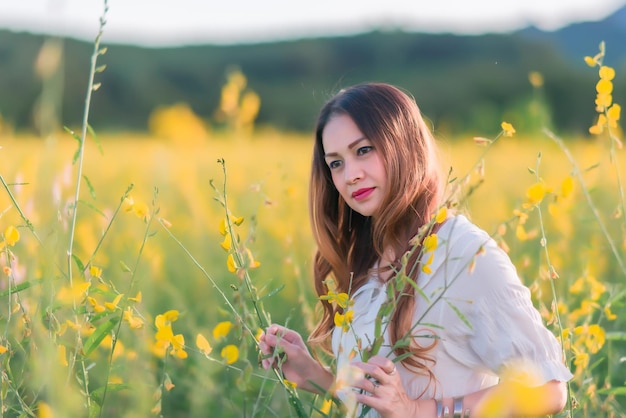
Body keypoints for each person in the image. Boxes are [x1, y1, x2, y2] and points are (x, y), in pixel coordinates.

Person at [259, 82, 572, 417]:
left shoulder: (464, 253)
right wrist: (316, 377)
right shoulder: (369, 259)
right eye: (336, 163)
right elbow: (381, 405)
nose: (350, 175)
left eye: (363, 150)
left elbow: (548, 389)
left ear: (403, 145)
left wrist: (420, 411)